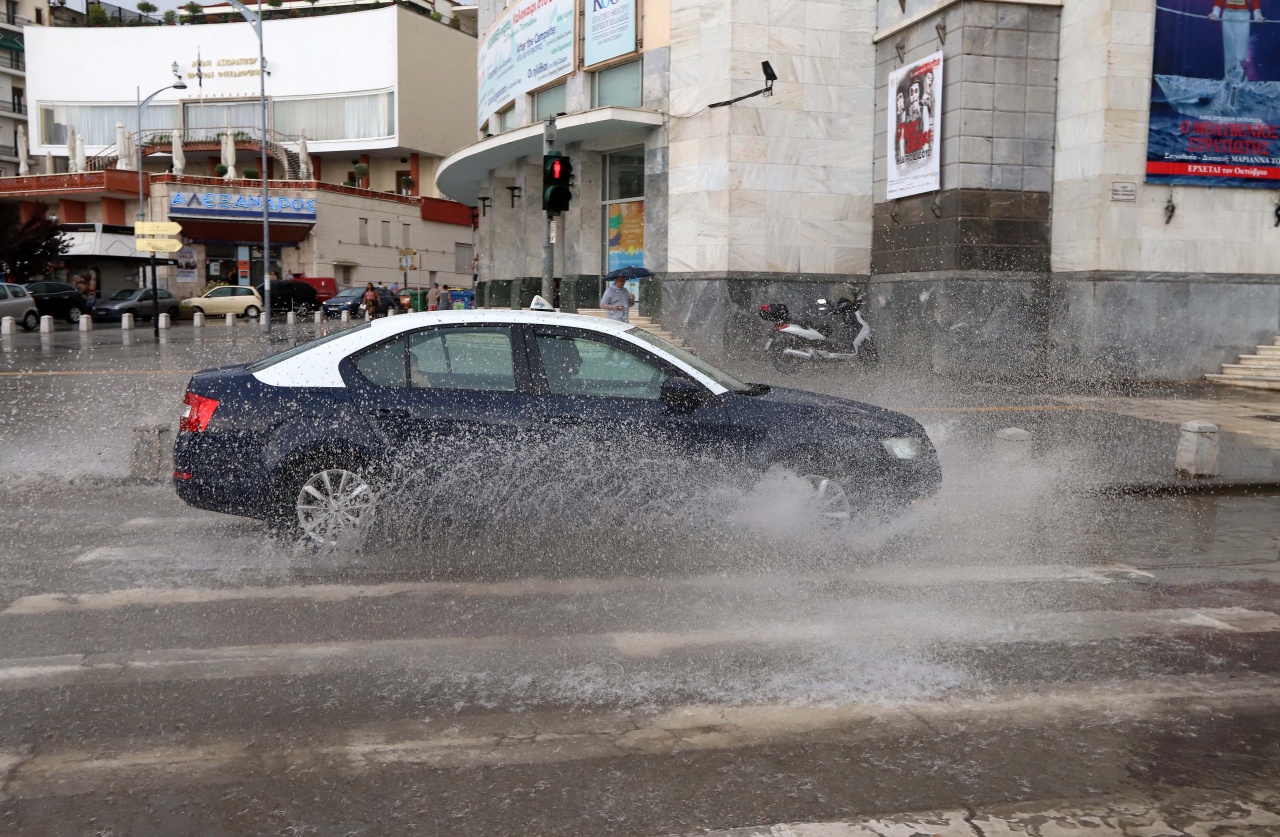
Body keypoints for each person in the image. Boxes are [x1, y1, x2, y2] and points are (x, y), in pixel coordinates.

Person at [1210, 0, 1264, 82]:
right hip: (1227, 15)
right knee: (1229, 50)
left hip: (1243, 14)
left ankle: (1238, 75)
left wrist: (1258, 15)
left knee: (1241, 54)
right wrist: (1215, 13)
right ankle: (1228, 79)